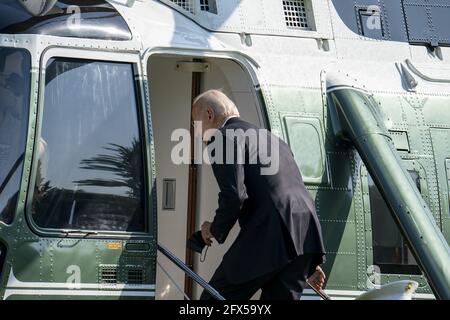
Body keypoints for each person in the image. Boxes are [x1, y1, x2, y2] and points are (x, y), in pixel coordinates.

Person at [191, 89, 326, 300]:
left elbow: (234, 196)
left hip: (269, 235)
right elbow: (287, 189)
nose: (197, 133)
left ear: (209, 114)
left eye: (195, 124)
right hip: (304, 236)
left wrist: (213, 230)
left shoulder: (223, 138)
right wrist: (306, 259)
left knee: (213, 301)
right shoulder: (272, 139)